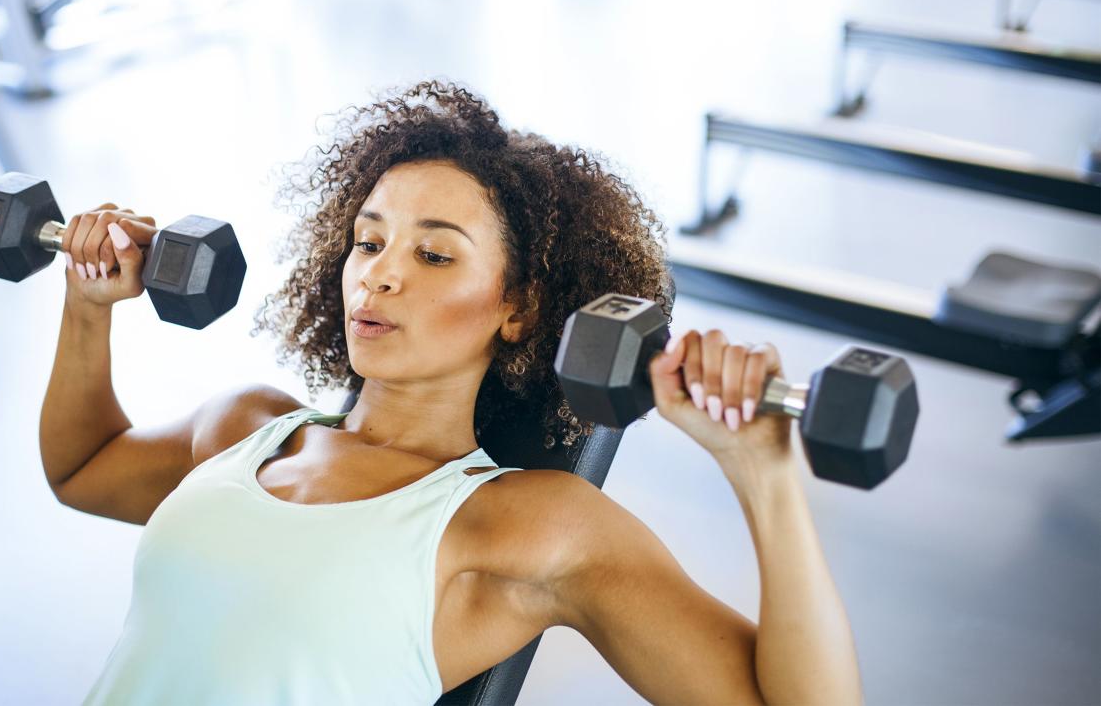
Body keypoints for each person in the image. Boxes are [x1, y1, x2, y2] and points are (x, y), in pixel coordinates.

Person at [43, 81, 862, 705]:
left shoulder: (526, 525)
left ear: (519, 308)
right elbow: (83, 468)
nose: (382, 274)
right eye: (369, 242)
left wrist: (764, 473)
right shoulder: (247, 428)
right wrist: (87, 305)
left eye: (435, 256)